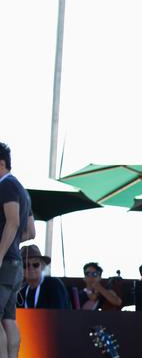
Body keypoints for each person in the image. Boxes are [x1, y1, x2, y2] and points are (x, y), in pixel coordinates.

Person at [0, 142, 35, 358]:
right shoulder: (22, 189)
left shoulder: (6, 185)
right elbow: (30, 231)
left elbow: (12, 222)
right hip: (14, 264)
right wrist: (11, 246)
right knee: (8, 319)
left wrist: (0, 252)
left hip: (5, 263)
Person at [17, 245, 70, 309]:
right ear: (20, 268)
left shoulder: (54, 285)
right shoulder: (21, 292)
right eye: (25, 265)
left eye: (35, 264)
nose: (31, 268)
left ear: (42, 266)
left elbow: (60, 313)